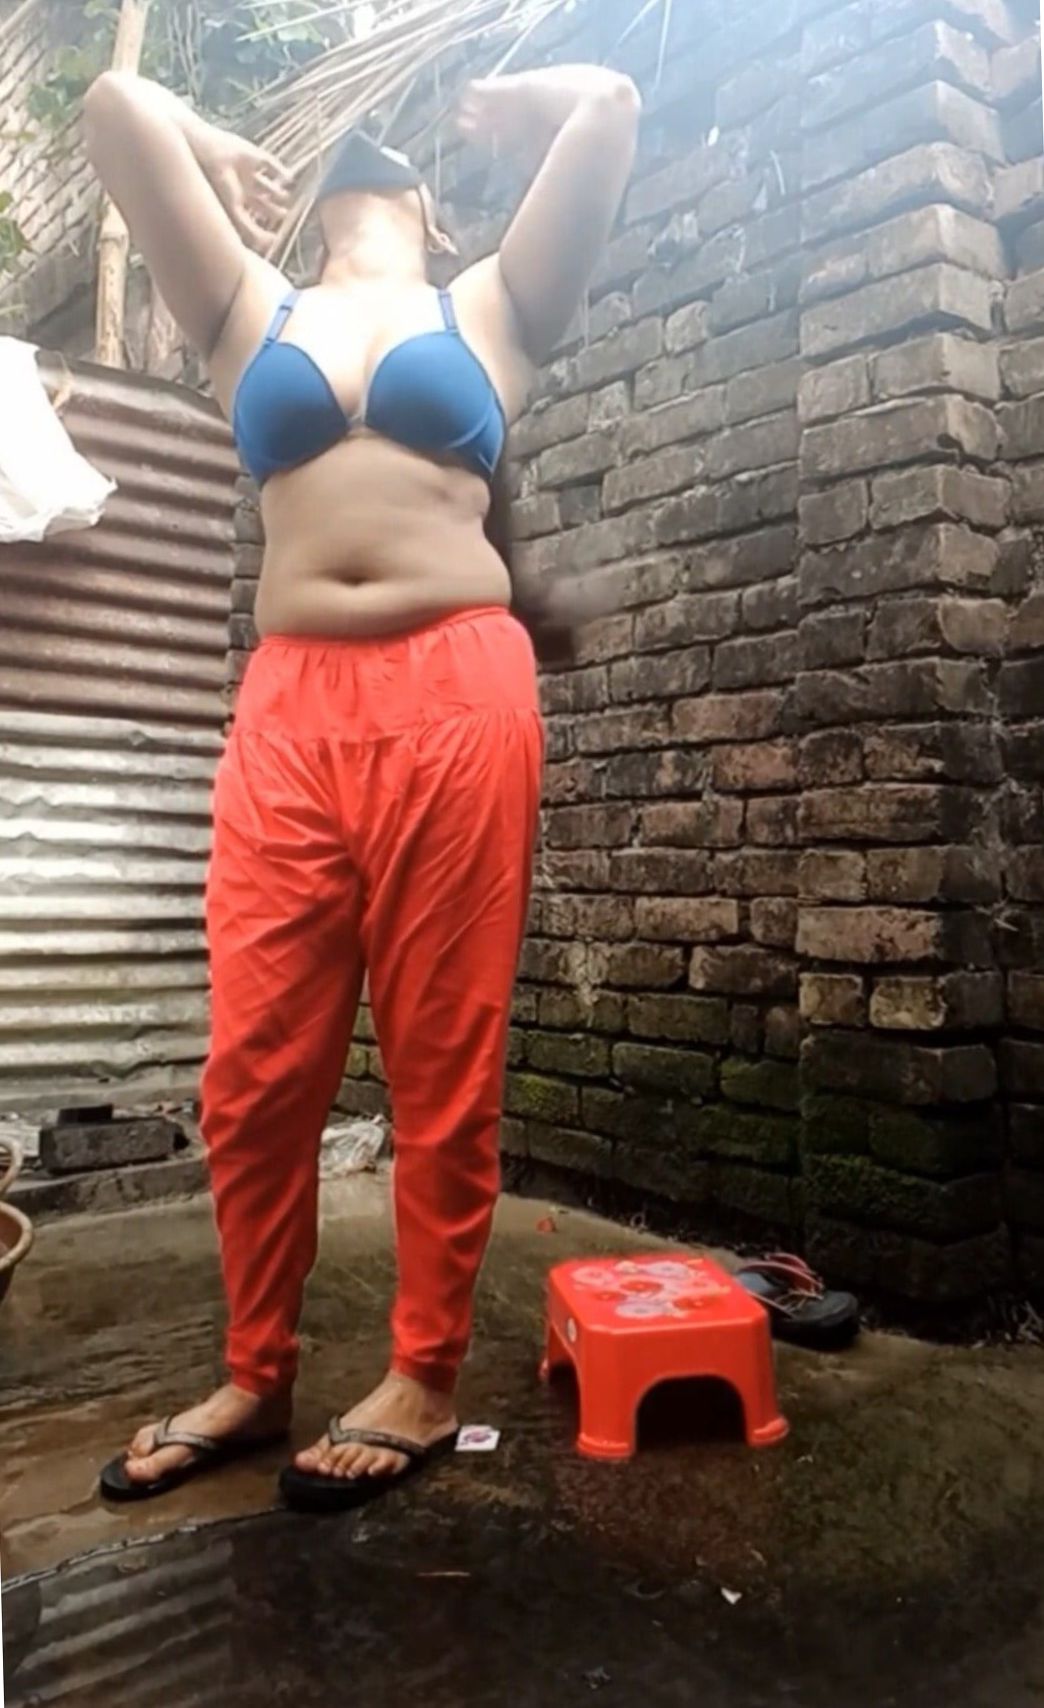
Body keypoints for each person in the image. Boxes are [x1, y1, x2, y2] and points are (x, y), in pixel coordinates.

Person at [85, 57, 640, 1513]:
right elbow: (114, 114)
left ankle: (423, 1374)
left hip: (458, 693)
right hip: (291, 707)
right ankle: (255, 1372)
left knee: (444, 1056)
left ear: (436, 215)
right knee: (254, 1071)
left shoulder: (491, 310)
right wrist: (215, 143)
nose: (364, 147)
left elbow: (611, 109)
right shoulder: (248, 308)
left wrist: (516, 99)